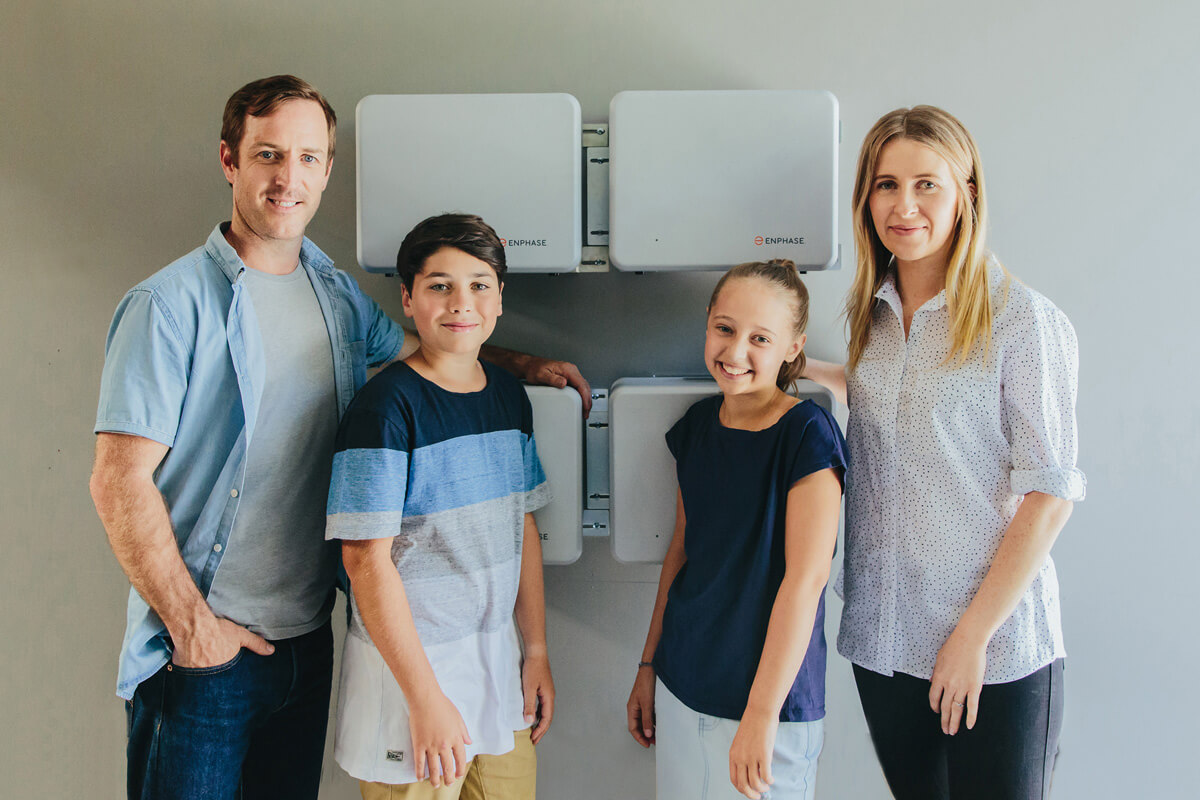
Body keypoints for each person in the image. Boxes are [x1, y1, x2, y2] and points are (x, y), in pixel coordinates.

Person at [88, 76, 588, 800]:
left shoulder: (334, 294)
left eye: (308, 157)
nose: (288, 178)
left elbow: (424, 350)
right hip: (204, 651)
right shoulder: (168, 305)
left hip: (305, 637)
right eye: (268, 154)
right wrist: (195, 630)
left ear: (327, 169)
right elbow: (118, 482)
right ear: (229, 160)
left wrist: (523, 365)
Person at [804, 106, 1085, 800]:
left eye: (926, 184)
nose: (904, 206)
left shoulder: (1022, 320)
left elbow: (1050, 495)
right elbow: (886, 399)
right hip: (886, 642)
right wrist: (788, 363)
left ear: (967, 194)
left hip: (994, 650)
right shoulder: (870, 315)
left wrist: (971, 638)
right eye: (886, 184)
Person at [326, 213, 553, 799]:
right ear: (408, 298)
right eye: (439, 285)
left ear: (499, 298)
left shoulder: (508, 397)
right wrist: (424, 698)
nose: (461, 302)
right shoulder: (384, 409)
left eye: (479, 284)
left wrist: (536, 650)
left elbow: (523, 526)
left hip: (497, 667)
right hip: (410, 682)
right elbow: (364, 561)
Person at [626, 260, 847, 800]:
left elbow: (805, 583)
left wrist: (761, 714)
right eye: (724, 329)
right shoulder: (697, 428)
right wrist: (648, 664)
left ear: (793, 348)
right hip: (682, 681)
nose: (735, 351)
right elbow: (681, 553)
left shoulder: (808, 435)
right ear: (707, 322)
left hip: (769, 708)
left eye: (760, 339)